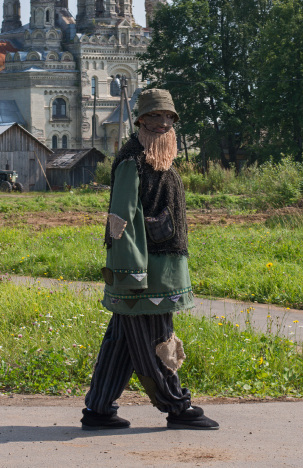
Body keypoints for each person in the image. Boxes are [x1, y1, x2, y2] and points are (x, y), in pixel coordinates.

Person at [81, 89, 218, 431]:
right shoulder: (133, 160)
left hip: (161, 268)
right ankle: (177, 406)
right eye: (154, 116)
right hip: (144, 273)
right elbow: (121, 219)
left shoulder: (161, 160)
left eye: (168, 117)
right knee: (158, 339)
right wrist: (131, 272)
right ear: (140, 120)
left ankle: (98, 409)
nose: (162, 123)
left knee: (121, 344)